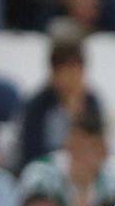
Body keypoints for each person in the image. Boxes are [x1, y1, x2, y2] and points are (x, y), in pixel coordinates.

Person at [16, 36, 103, 170]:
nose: (74, 79)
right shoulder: (37, 106)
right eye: (68, 72)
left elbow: (98, 146)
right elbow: (31, 153)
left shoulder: (91, 102)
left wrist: (77, 117)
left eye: (78, 71)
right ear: (54, 73)